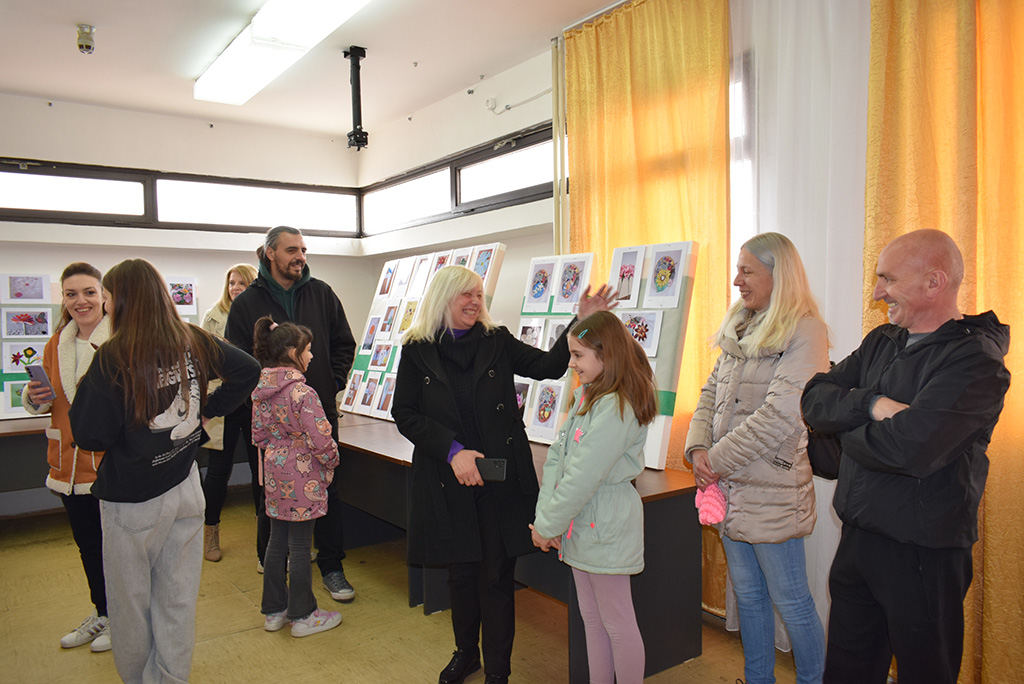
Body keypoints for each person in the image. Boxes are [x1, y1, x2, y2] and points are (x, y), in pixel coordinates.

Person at [801, 229, 1010, 684]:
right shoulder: (883, 340)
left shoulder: (976, 361)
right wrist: (873, 405)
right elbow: (814, 398)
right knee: (847, 671)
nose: (878, 292)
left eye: (888, 279)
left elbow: (911, 449)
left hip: (923, 553)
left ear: (934, 282)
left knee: (925, 673)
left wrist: (844, 424)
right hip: (859, 538)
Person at [392, 265, 617, 684]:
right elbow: (404, 413)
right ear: (444, 297)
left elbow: (549, 366)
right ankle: (466, 654)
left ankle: (498, 671)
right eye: (466, 294)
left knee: (495, 577)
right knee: (460, 576)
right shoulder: (417, 349)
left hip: (498, 481)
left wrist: (581, 320)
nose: (475, 302)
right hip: (448, 477)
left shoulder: (496, 340)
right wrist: (454, 452)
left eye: (479, 294)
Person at [68, 258, 260, 684]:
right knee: (177, 599)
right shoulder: (191, 337)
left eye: (107, 297)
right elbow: (248, 369)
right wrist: (206, 411)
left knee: (130, 607)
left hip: (133, 503)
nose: (105, 305)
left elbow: (90, 435)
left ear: (122, 300)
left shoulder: (113, 355)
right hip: (185, 485)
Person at [685, 232, 829, 684]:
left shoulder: (806, 331)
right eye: (738, 270)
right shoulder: (740, 325)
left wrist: (714, 461)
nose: (737, 281)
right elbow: (710, 394)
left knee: (792, 600)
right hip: (729, 485)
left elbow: (781, 415)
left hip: (771, 490)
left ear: (777, 274)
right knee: (747, 596)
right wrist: (697, 448)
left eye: (746, 271)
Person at [225, 226, 358, 598]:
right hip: (272, 421)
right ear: (270, 253)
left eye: (303, 249)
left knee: (329, 488)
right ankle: (273, 569)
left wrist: (332, 381)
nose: (300, 256)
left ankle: (332, 567)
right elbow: (234, 358)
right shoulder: (246, 303)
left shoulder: (322, 294)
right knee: (270, 491)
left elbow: (344, 344)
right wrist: (258, 397)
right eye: (291, 250)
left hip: (318, 413)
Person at [530, 310, 658, 684]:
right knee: (591, 618)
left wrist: (547, 525)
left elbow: (584, 475)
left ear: (606, 355)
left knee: (617, 622)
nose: (570, 363)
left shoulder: (619, 406)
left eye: (578, 355)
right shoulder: (586, 396)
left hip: (606, 527)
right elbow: (558, 459)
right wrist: (546, 519)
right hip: (581, 523)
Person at [23, 262, 113, 653]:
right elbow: (45, 401)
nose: (81, 301)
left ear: (103, 295)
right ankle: (104, 612)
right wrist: (34, 397)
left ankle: (126, 617)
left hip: (110, 467)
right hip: (68, 467)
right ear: (63, 299)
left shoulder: (120, 340)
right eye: (71, 294)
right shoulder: (55, 344)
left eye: (89, 292)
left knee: (119, 551)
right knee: (89, 547)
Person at [250, 316, 342, 638]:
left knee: (277, 541)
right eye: (308, 350)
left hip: (275, 472)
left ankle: (274, 610)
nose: (312, 355)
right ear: (293, 353)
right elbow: (321, 439)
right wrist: (332, 461)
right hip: (304, 477)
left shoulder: (261, 392)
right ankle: (303, 615)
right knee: (301, 545)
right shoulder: (303, 393)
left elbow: (258, 436)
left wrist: (279, 449)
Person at [199, 262, 258, 563]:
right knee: (218, 471)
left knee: (261, 470)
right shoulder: (213, 316)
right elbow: (204, 361)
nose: (235, 288)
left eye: (242, 283)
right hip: (223, 402)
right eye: (232, 283)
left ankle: (268, 539)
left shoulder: (261, 314)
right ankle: (210, 531)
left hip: (255, 403)